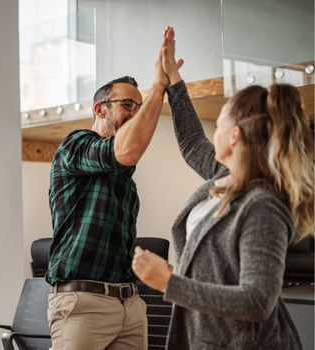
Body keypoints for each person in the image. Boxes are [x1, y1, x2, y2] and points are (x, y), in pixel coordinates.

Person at [131, 27, 311, 350]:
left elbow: (257, 301)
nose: (213, 128)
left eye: (221, 120)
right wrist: (172, 80)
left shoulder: (262, 205)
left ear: (235, 135)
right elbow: (190, 143)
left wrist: (170, 283)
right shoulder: (224, 179)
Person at [45, 29, 180, 350]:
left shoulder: (124, 178)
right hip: (83, 303)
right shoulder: (76, 144)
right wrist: (160, 85)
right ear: (100, 109)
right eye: (127, 104)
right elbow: (126, 151)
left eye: (139, 105)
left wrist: (149, 266)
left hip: (130, 304)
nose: (135, 111)